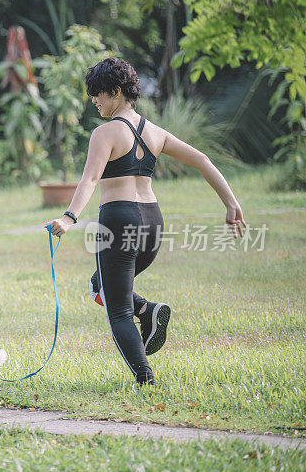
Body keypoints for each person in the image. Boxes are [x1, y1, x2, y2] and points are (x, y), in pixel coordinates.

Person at [44, 57, 247, 386]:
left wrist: (69, 218)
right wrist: (231, 202)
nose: (94, 101)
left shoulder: (105, 133)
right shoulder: (155, 132)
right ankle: (148, 311)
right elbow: (202, 159)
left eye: (98, 94)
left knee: (118, 310)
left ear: (117, 91)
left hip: (118, 221)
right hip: (152, 225)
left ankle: (146, 379)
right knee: (101, 286)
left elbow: (90, 178)